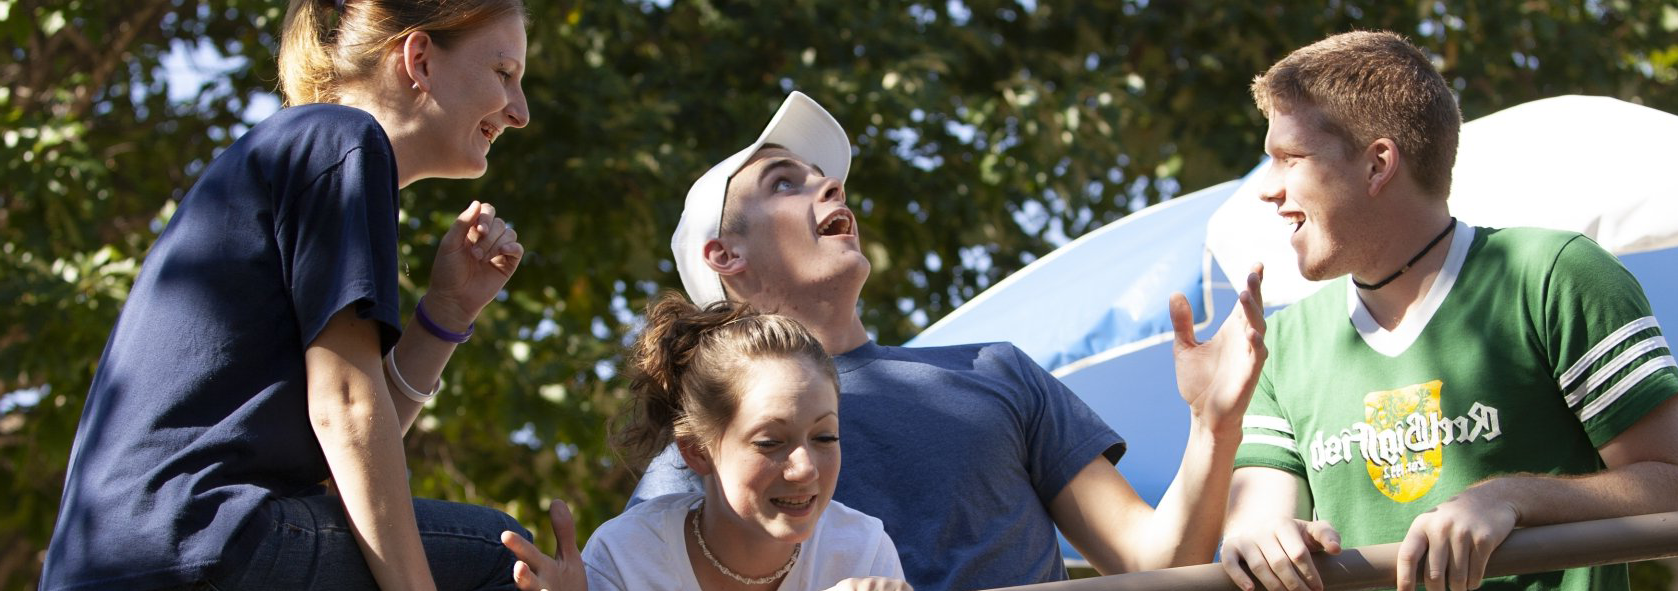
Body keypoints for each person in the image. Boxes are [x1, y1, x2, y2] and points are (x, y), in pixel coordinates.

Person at [626, 91, 1270, 590]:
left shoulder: (999, 371)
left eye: (824, 177)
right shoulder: (701, 455)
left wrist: (1213, 426)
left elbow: (1158, 563)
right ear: (724, 255)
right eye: (783, 183)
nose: (830, 186)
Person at [38, 1, 562, 589]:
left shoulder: (305, 148)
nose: (519, 112)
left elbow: (341, 438)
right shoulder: (342, 139)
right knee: (505, 560)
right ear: (418, 59)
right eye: (503, 73)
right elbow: (345, 408)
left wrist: (447, 311)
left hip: (128, 556)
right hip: (201, 535)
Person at [1220, 30, 1678, 591]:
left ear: (1378, 165)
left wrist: (1511, 498)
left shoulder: (1554, 275)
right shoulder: (1283, 343)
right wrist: (1257, 538)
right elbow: (1255, 519)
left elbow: (1674, 480)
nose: (1268, 189)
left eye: (1289, 159)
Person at [504, 293, 910, 591]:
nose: (805, 467)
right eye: (770, 442)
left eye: (825, 436)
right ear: (697, 450)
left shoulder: (863, 549)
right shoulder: (625, 558)